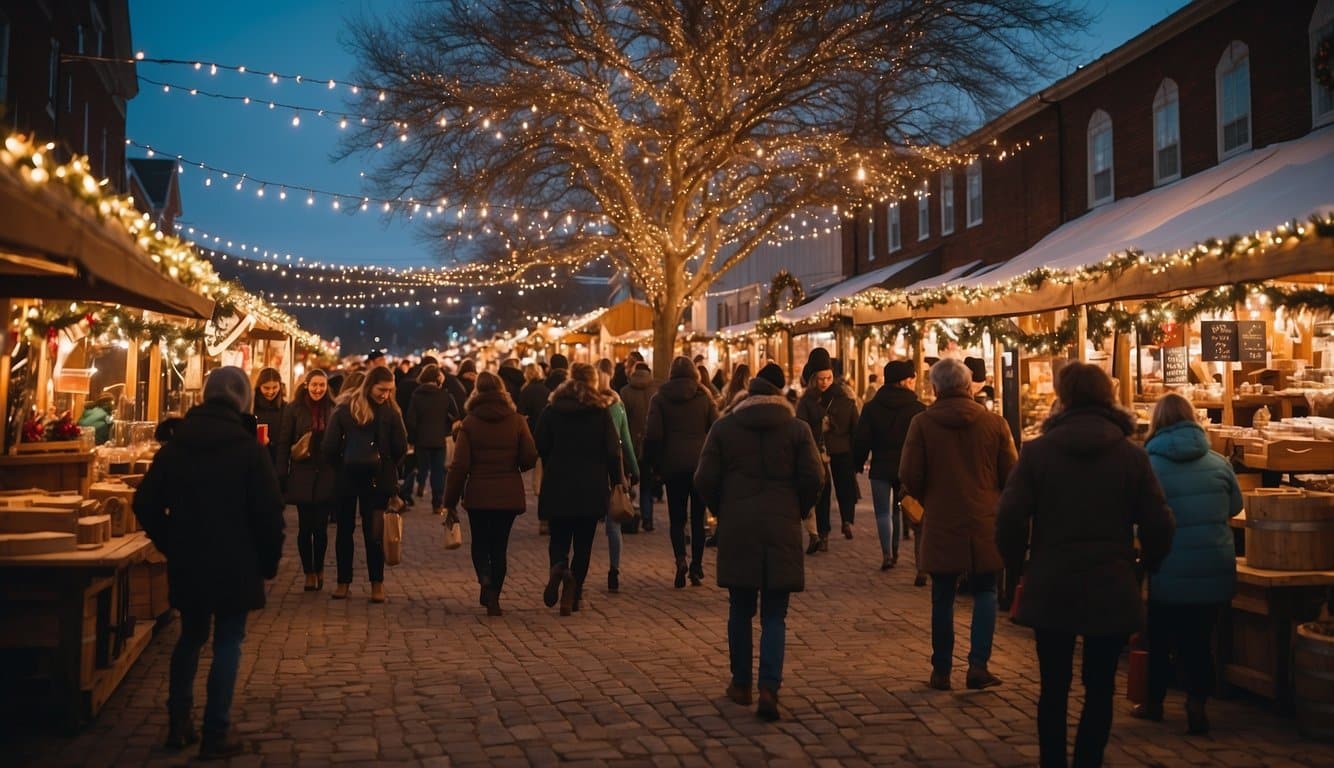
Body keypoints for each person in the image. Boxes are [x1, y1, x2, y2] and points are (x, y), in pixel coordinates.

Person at [996, 362, 1174, 768]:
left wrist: (1017, 564)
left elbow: (1009, 516)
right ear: (1107, 397)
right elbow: (1159, 521)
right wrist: (1146, 564)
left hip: (1052, 579)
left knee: (1053, 687)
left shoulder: (1038, 452)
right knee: (1099, 687)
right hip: (1110, 582)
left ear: (1065, 397)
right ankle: (1088, 760)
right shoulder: (1131, 456)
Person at [133, 367, 284, 759]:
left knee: (190, 636)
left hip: (190, 559)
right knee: (228, 640)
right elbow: (269, 513)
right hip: (237, 561)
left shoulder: (176, 445)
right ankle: (216, 730)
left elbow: (145, 502)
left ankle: (178, 721)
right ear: (243, 400)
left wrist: (170, 542)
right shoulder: (249, 449)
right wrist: (268, 562)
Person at [695, 362, 823, 722]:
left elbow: (704, 477)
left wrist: (721, 507)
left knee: (740, 607)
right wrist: (800, 506)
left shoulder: (725, 428)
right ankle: (769, 685)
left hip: (739, 525)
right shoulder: (797, 430)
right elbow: (814, 476)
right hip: (781, 525)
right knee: (774, 614)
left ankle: (741, 683)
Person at [899, 358, 1017, 692]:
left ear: (935, 388)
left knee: (942, 596)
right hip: (984, 518)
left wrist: (930, 497)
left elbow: (909, 474)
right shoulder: (995, 424)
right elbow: (1012, 473)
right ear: (968, 386)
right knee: (986, 592)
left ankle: (941, 670)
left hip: (941, 518)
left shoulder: (922, 424)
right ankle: (978, 665)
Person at [1133, 393, 1241, 734]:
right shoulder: (1219, 462)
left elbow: (1138, 515)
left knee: (1161, 637)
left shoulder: (1147, 465)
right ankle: (1197, 704)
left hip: (1168, 565)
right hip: (1213, 565)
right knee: (1200, 639)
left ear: (1157, 423)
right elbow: (1235, 506)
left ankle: (1154, 703)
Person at [444, 372, 538, 616]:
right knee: (499, 546)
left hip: (479, 494)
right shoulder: (517, 420)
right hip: (508, 493)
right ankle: (494, 594)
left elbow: (459, 466)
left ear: (476, 392)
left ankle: (485, 580)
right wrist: (516, 466)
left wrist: (449, 502)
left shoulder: (470, 423)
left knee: (480, 543)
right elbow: (530, 455)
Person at [536, 363, 623, 615]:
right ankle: (573, 592)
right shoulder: (600, 412)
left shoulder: (552, 410)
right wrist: (618, 481)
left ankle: (558, 566)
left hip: (558, 483)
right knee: (584, 542)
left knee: (559, 537)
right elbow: (612, 450)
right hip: (591, 485)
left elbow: (539, 443)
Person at [322, 366, 408, 603]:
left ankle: (344, 583)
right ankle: (376, 585)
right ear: (370, 385)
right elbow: (401, 445)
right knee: (373, 533)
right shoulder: (390, 412)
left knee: (347, 532)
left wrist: (341, 465)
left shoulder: (344, 408)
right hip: (375, 479)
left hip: (348, 477)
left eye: (390, 390)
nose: (386, 395)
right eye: (382, 389)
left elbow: (330, 447)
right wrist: (388, 463)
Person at [645, 356, 719, 588]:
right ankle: (696, 566)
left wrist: (654, 466)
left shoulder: (660, 398)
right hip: (700, 465)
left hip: (672, 466)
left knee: (677, 519)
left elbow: (653, 435)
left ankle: (680, 560)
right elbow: (716, 427)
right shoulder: (704, 396)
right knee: (698, 518)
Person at [853, 360, 924, 571]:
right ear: (903, 381)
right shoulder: (917, 408)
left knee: (884, 511)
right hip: (908, 468)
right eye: (910, 379)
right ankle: (919, 562)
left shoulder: (872, 407)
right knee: (914, 510)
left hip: (881, 466)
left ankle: (888, 554)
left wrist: (858, 462)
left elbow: (862, 438)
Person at [276, 369, 338, 592]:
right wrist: (282, 472)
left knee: (321, 528)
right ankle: (308, 572)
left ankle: (319, 567)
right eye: (314, 385)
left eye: (322, 385)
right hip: (302, 472)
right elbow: (284, 442)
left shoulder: (333, 408)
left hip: (326, 472)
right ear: (306, 385)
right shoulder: (294, 409)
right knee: (305, 528)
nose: (318, 389)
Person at [797, 353, 859, 552]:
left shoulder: (843, 395)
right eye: (821, 379)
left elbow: (854, 422)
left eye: (828, 378)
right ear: (813, 378)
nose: (825, 382)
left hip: (841, 448)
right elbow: (802, 425)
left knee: (845, 484)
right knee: (823, 491)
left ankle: (847, 520)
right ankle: (823, 533)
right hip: (817, 450)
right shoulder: (807, 400)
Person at [599, 369, 640, 592]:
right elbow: (626, 441)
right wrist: (634, 469)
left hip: (592, 471)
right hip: (614, 468)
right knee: (614, 521)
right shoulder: (617, 406)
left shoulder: (589, 405)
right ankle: (614, 569)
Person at [405, 364, 460, 515]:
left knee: (421, 467)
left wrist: (413, 436)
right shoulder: (445, 395)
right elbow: (455, 415)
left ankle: (420, 483)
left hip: (421, 440)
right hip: (438, 438)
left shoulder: (416, 395)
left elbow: (411, 420)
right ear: (437, 378)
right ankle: (437, 503)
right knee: (438, 470)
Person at [620, 361, 657, 532]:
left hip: (631, 443)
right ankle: (648, 518)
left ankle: (630, 514)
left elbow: (623, 420)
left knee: (630, 481)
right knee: (647, 484)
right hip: (650, 443)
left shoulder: (626, 392)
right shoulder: (656, 391)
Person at [252, 367, 285, 466]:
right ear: (259, 387)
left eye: (275, 387)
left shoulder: (286, 408)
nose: (271, 392)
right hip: (256, 459)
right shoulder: (251, 408)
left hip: (278, 461)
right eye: (266, 388)